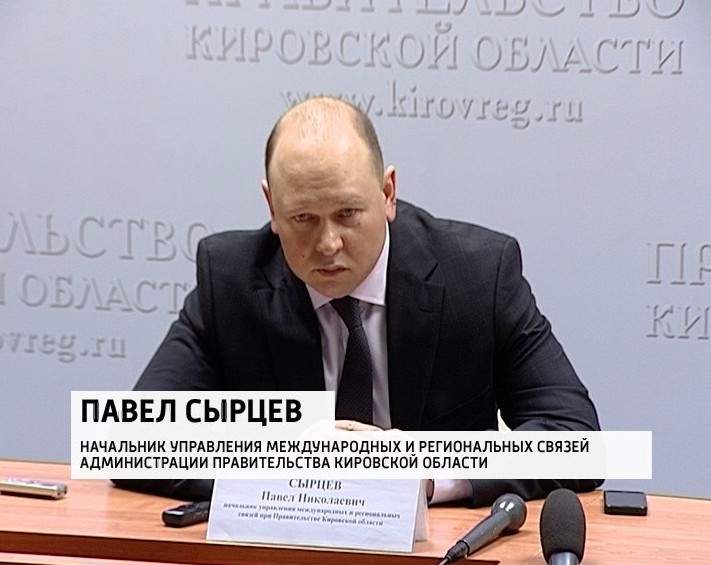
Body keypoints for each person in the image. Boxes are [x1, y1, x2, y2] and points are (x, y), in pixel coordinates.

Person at [113, 96, 602, 506]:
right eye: (303, 218)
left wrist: (425, 471)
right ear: (271, 208)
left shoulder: (477, 275)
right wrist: (295, 466)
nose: (328, 244)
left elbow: (576, 438)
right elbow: (130, 445)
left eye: (348, 213)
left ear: (388, 193)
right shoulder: (231, 280)